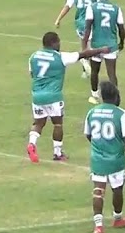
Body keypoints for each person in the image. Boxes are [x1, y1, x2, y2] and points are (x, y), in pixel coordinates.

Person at [27, 32, 110, 164]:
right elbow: (83, 54)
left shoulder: (33, 57)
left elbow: (33, 74)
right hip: (54, 96)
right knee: (58, 124)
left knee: (38, 123)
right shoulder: (60, 57)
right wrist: (101, 50)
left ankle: (32, 144)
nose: (60, 44)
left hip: (37, 96)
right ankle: (57, 153)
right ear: (53, 43)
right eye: (58, 41)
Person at [84, 80, 125, 233]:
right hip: (116, 160)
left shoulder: (92, 112)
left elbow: (88, 134)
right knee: (117, 189)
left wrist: (99, 146)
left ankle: (98, 227)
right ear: (115, 96)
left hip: (98, 159)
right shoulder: (121, 114)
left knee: (98, 190)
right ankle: (117, 219)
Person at [83, 0, 125, 104]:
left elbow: (87, 27)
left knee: (94, 71)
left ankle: (94, 95)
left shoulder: (92, 7)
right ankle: (115, 99)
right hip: (111, 45)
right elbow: (121, 28)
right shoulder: (116, 8)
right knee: (111, 73)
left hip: (97, 44)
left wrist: (85, 45)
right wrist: (121, 42)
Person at [54, 0, 97, 77]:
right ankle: (89, 70)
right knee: (92, 47)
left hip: (81, 22)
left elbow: (67, 6)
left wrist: (58, 19)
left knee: (84, 45)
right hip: (93, 22)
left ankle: (85, 68)